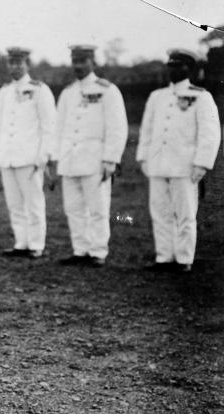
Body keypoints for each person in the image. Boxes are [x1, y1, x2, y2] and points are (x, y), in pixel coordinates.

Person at [136, 48, 221, 273]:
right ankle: (164, 257)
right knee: (160, 213)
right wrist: (143, 157)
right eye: (171, 66)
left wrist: (202, 163)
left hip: (185, 166)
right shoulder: (158, 97)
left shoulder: (200, 96)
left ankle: (184, 259)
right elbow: (147, 129)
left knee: (185, 214)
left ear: (190, 69)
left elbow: (209, 133)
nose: (174, 70)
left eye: (180, 66)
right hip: (158, 164)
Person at [53, 44, 128, 268]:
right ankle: (80, 250)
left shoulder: (107, 90)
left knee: (98, 208)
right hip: (70, 159)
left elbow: (117, 128)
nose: (77, 65)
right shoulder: (68, 92)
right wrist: (56, 158)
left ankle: (97, 251)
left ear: (93, 62)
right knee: (74, 208)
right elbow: (59, 128)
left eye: (82, 61)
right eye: (74, 61)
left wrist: (110, 159)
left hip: (95, 159)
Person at [0, 47, 57, 258]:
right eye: (11, 62)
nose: (14, 67)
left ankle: (36, 244)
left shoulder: (39, 89)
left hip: (30, 156)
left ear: (27, 65)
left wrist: (44, 156)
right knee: (14, 203)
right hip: (7, 157)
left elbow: (49, 125)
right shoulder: (4, 91)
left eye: (19, 63)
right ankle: (21, 242)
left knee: (33, 203)